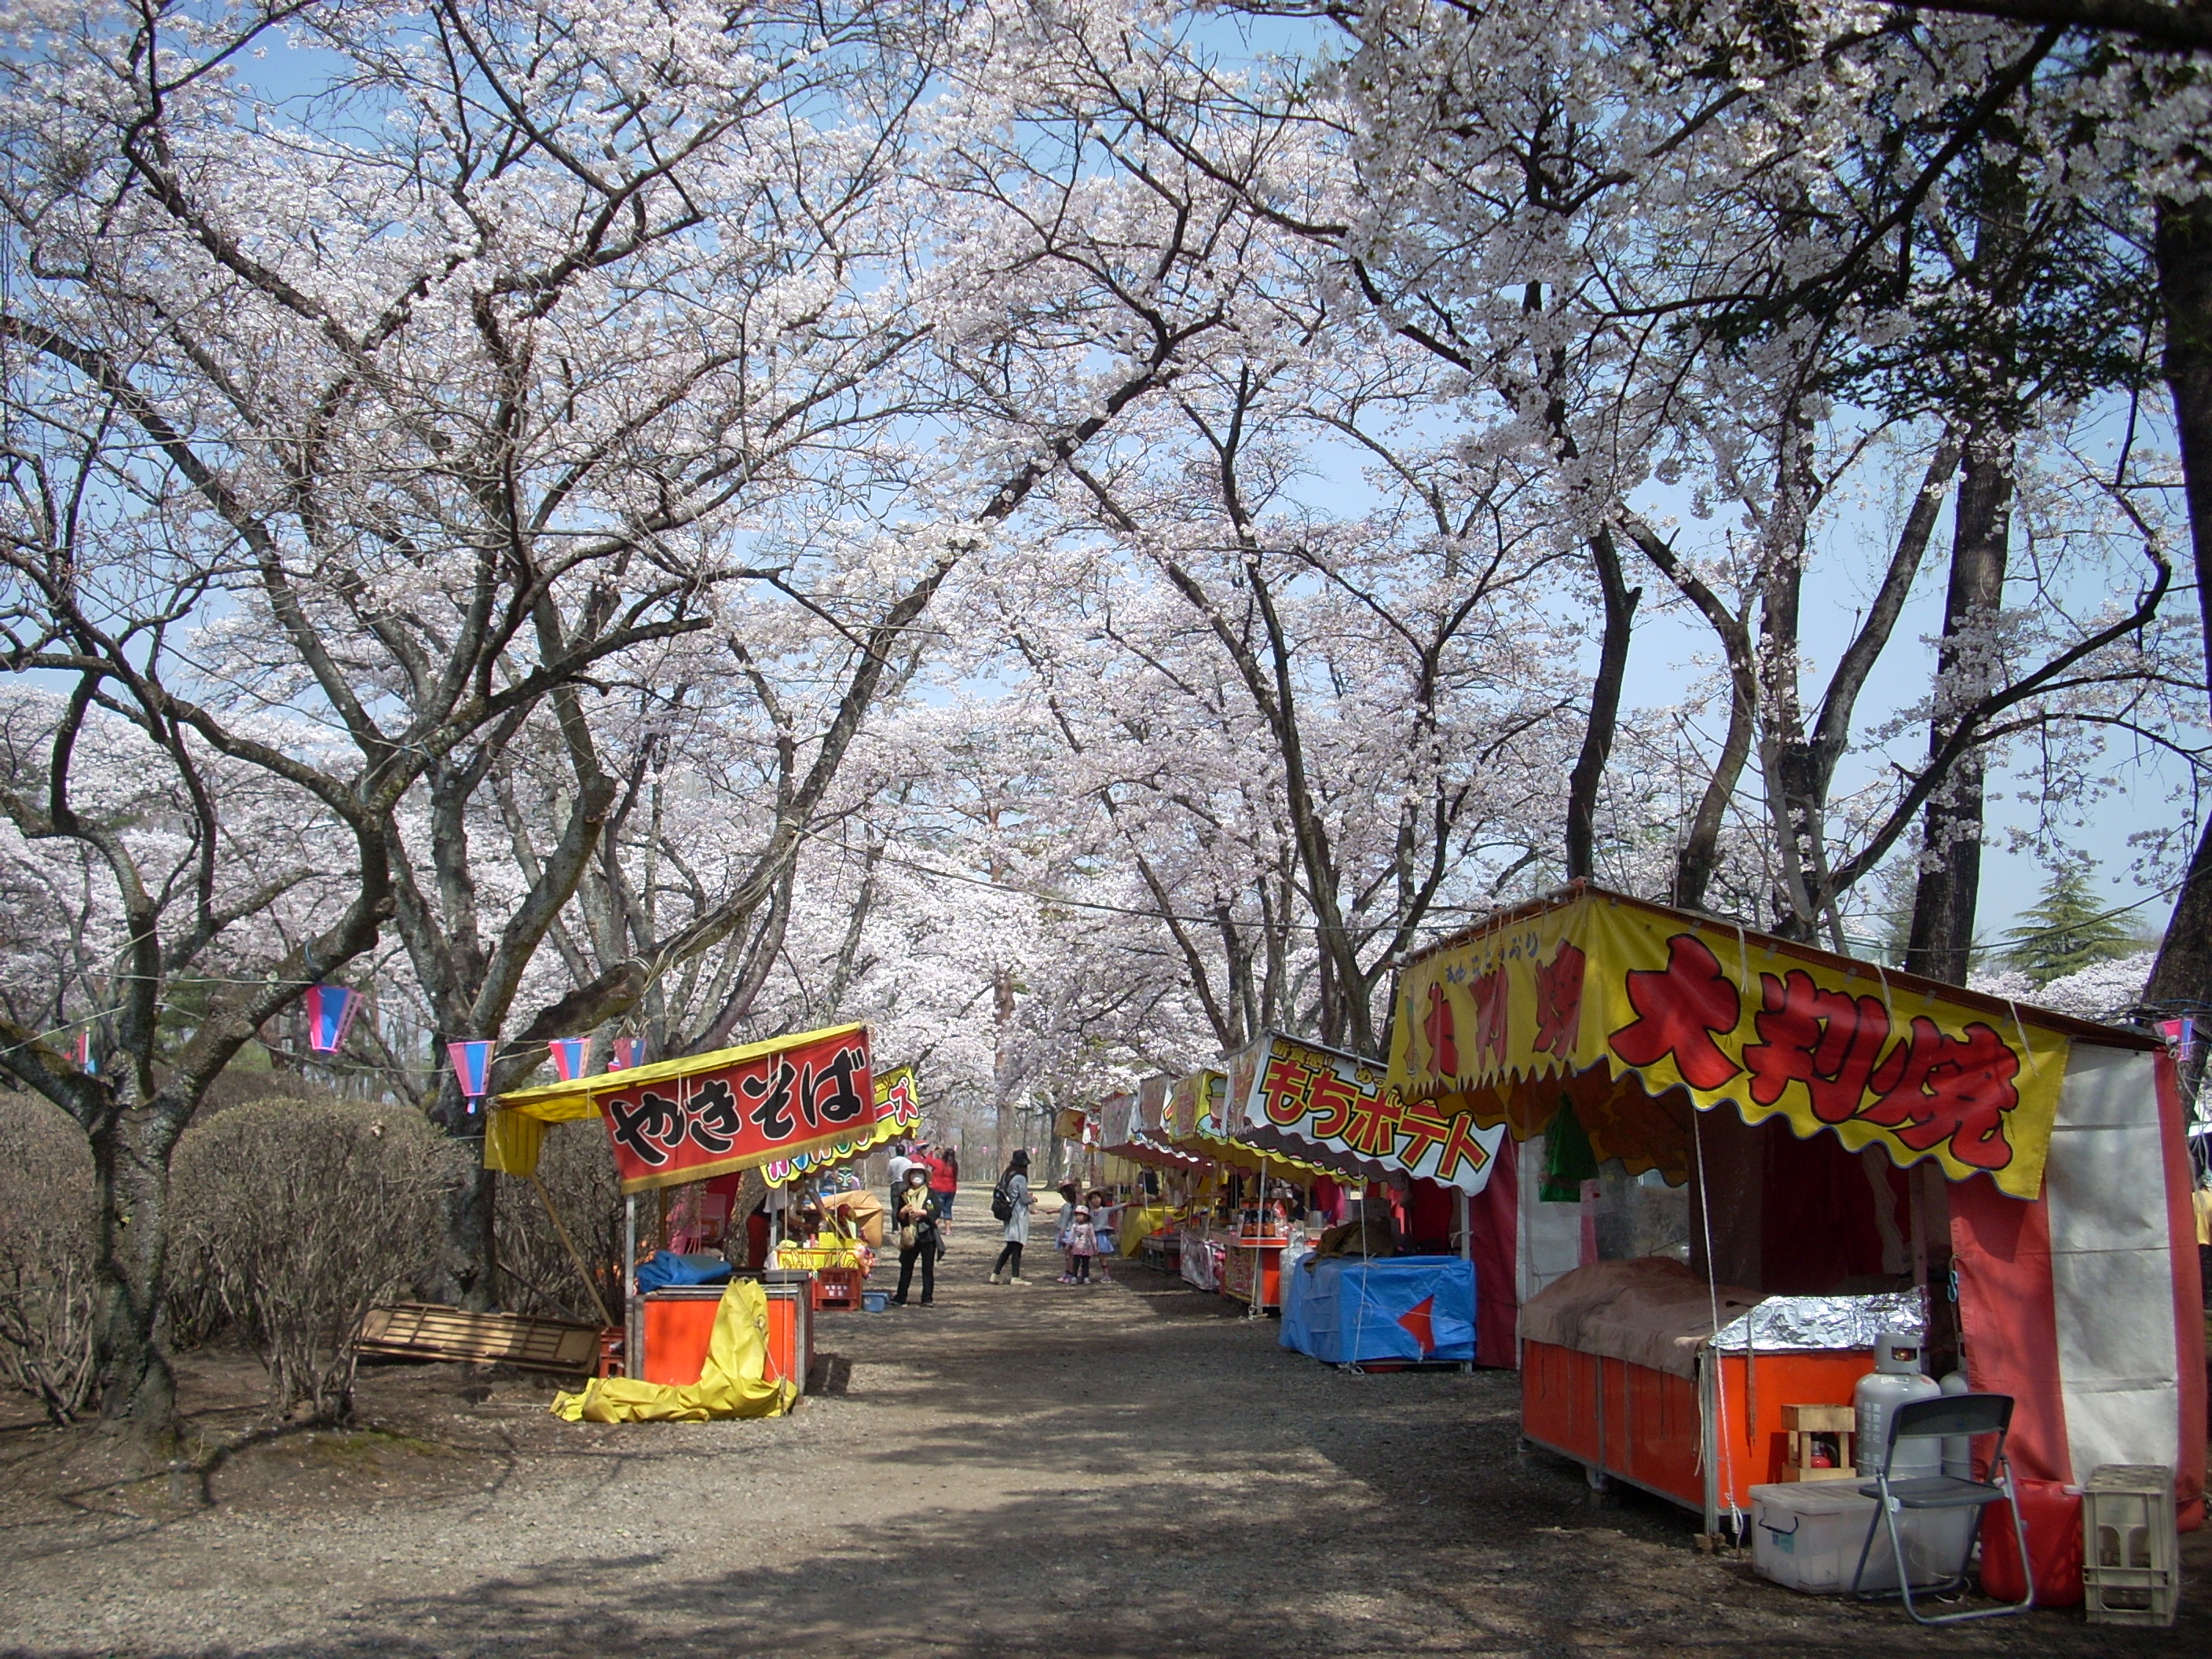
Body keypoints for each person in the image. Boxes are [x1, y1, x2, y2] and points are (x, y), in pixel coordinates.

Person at [988, 1148, 1036, 1284]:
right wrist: (1032, 1199)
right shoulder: (1020, 1178)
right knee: (1016, 1245)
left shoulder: (1007, 1175)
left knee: (1011, 1245)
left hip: (1008, 1212)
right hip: (1018, 1214)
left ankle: (997, 1273)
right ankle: (1014, 1276)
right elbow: (1024, 1199)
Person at [892, 1166, 936, 1306]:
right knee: (906, 1267)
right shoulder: (904, 1194)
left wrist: (924, 1213)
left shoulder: (930, 1193)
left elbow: (936, 1211)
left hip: (927, 1235)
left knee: (927, 1269)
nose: (917, 1176)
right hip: (909, 1235)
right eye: (914, 1174)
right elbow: (898, 1216)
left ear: (924, 1176)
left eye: (920, 1173)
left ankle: (927, 1298)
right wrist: (903, 1212)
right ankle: (900, 1297)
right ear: (909, 1177)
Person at [1065, 1204, 1101, 1284]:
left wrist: (1095, 1246)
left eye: (1080, 1215)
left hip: (1087, 1247)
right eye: (1077, 1215)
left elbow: (1092, 1236)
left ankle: (1085, 1276)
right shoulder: (1075, 1225)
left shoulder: (1089, 1226)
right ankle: (1074, 1276)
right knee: (1076, 1262)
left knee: (1086, 1263)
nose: (1078, 1217)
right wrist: (1068, 1244)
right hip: (1077, 1247)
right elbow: (1071, 1236)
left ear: (1085, 1216)